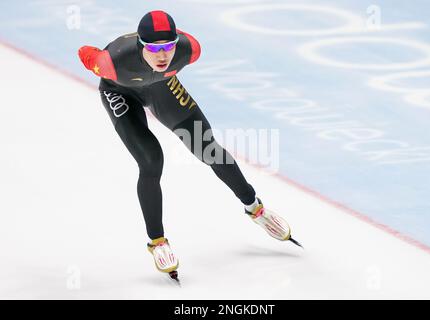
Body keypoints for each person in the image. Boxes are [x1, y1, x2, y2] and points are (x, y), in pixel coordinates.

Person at [78, 10, 296, 280]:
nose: (162, 55)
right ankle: (157, 242)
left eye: (168, 46)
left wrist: (167, 57)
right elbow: (84, 52)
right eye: (154, 48)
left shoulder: (189, 49)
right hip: (119, 91)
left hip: (162, 87)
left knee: (208, 148)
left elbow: (175, 50)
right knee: (151, 161)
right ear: (140, 46)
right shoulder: (112, 62)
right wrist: (99, 55)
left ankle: (255, 208)